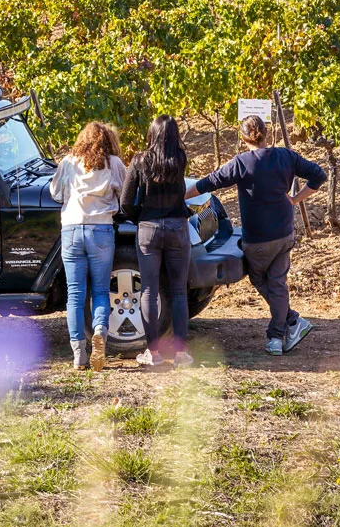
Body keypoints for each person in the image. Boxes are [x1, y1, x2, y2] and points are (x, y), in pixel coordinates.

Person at [189, 115, 326, 356]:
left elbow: (210, 182)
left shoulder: (241, 163)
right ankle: (287, 325)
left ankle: (280, 332)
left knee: (261, 280)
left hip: (258, 238)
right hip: (284, 232)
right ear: (266, 133)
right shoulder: (286, 156)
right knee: (277, 282)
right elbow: (318, 175)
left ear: (243, 138)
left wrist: (182, 196)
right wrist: (295, 199)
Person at [49, 122, 126, 371]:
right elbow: (125, 194)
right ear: (109, 141)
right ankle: (100, 332)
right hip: (101, 230)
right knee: (101, 291)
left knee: (75, 294)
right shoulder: (113, 163)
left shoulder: (68, 162)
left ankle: (78, 355)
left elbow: (55, 193)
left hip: (71, 230)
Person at [119, 116, 195, 369]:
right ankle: (181, 354)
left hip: (149, 229)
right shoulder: (180, 160)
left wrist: (138, 217)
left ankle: (154, 353)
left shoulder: (140, 161)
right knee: (179, 291)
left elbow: (126, 201)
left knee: (149, 291)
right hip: (177, 227)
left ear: (152, 133)